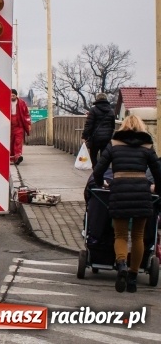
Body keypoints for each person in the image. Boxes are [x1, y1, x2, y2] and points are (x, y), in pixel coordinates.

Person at [92, 114, 161, 293]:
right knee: (138, 236)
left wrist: (100, 183)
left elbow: (99, 168)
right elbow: (158, 171)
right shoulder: (147, 146)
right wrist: (156, 188)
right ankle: (132, 276)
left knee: (120, 235)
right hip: (141, 192)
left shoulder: (113, 145)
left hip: (119, 191)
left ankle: (121, 264)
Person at [82, 92, 116, 165]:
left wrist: (85, 136)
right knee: (104, 156)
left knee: (93, 155)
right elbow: (113, 125)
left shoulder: (93, 110)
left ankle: (95, 170)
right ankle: (102, 170)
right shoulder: (111, 111)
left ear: (97, 99)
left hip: (95, 137)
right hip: (107, 137)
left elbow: (89, 124)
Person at [10, 89, 31, 165]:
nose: (12, 97)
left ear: (16, 95)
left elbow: (26, 114)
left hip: (19, 125)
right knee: (11, 142)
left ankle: (18, 156)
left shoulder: (22, 103)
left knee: (18, 141)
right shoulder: (6, 102)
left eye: (13, 95)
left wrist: (28, 124)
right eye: (11, 96)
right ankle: (13, 157)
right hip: (9, 126)